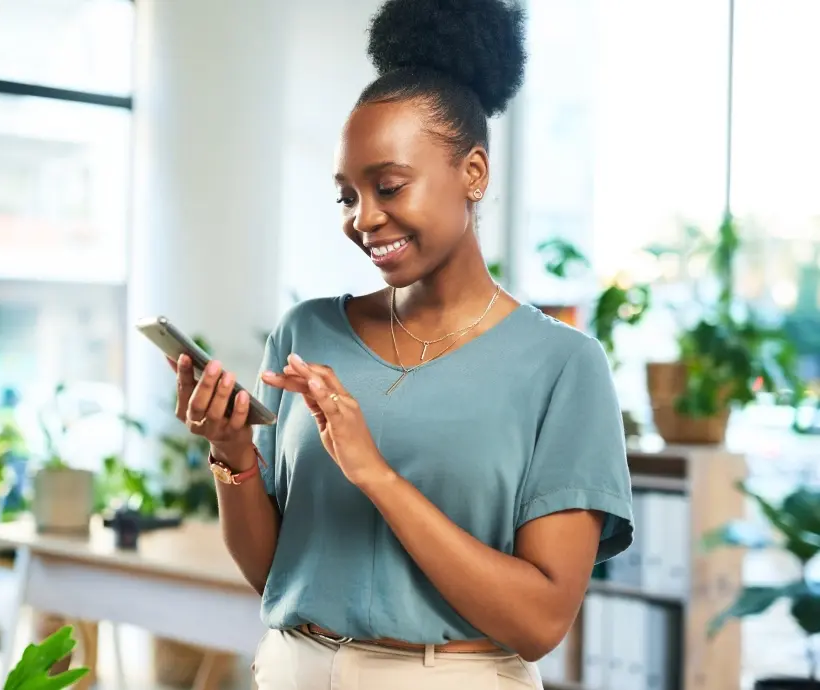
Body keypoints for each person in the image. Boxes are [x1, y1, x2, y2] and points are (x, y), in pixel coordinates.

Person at [171, 0, 633, 686]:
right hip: (295, 667)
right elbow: (274, 572)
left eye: (388, 186)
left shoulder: (563, 367)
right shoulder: (305, 333)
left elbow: (539, 622)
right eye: (346, 196)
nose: (364, 219)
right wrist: (233, 453)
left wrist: (377, 475)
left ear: (472, 173)